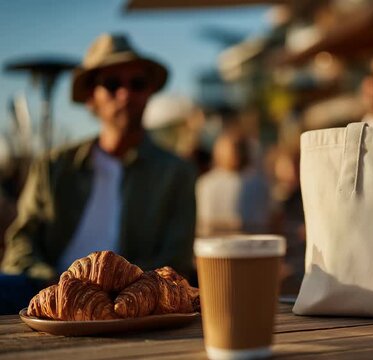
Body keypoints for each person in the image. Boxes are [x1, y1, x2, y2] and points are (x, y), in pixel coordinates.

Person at [1, 33, 197, 313]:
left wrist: (123, 293)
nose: (126, 93)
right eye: (113, 83)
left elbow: (176, 257)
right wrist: (54, 284)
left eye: (137, 83)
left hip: (129, 304)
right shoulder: (53, 166)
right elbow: (21, 239)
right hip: (44, 290)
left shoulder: (176, 172)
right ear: (92, 97)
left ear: (149, 92)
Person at [196, 128, 271, 236]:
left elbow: (269, 218)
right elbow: (202, 222)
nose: (235, 153)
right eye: (231, 149)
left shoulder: (260, 183)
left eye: (238, 148)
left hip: (253, 245)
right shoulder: (206, 184)